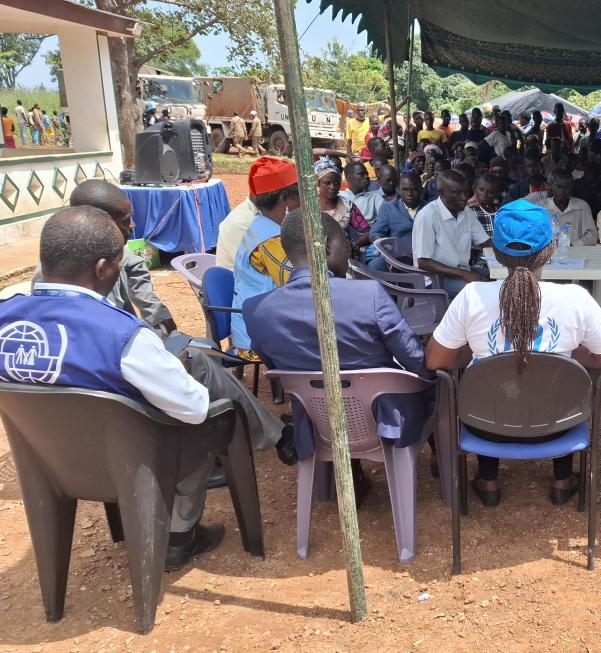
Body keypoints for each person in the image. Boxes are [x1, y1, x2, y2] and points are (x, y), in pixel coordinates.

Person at [4, 207, 288, 570]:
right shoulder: (121, 334)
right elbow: (194, 408)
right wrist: (173, 368)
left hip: (52, 464)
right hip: (131, 462)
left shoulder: (5, 316)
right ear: (103, 268)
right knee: (202, 410)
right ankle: (180, 536)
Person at [425, 200, 601, 506]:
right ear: (549, 250)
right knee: (558, 382)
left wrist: (476, 352)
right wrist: (570, 355)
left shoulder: (470, 297)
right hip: (558, 426)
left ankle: (488, 482)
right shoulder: (576, 299)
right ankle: (562, 480)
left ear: (496, 252)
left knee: (490, 382)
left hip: (487, 427)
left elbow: (435, 361)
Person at [243, 211, 433, 513]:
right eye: (347, 243)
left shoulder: (256, 310)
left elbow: (273, 366)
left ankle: (349, 476)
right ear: (328, 244)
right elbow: (415, 360)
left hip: (317, 424)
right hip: (384, 422)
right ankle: (440, 468)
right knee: (435, 386)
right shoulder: (368, 294)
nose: (350, 251)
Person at [30, 180, 176, 334]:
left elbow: (135, 269)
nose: (133, 225)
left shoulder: (119, 252)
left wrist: (158, 315)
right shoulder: (54, 275)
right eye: (126, 220)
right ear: (100, 223)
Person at [230, 157, 300, 353]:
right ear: (284, 199)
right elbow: (295, 286)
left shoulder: (261, 224)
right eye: (299, 195)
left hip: (256, 321)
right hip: (257, 337)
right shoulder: (271, 240)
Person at [413, 169, 491, 296]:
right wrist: (463, 274)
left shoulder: (467, 213)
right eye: (458, 193)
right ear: (441, 193)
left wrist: (508, 261)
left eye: (466, 192)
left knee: (499, 280)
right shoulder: (427, 215)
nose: (464, 198)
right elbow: (423, 262)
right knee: (481, 291)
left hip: (462, 271)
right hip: (436, 278)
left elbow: (487, 243)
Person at [534, 169, 598, 245]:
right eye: (558, 186)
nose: (562, 191)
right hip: (548, 250)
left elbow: (593, 235)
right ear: (551, 187)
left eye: (567, 187)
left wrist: (574, 245)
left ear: (572, 188)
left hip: (577, 251)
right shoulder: (540, 207)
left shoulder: (582, 206)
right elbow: (534, 234)